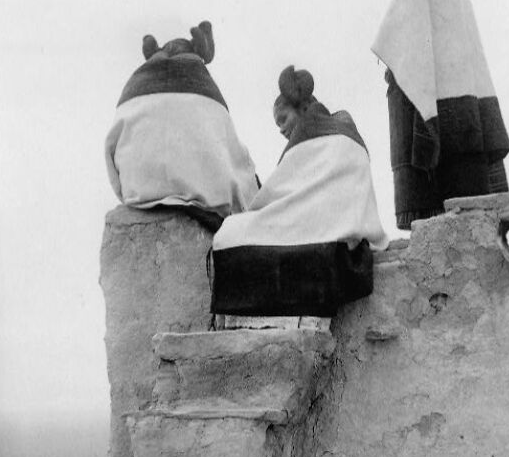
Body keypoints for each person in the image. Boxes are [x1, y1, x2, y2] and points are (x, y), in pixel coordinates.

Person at [372, 0, 509, 230]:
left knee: (443, 202)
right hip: (463, 93)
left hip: (440, 94)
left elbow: (401, 34)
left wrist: (396, 66)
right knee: (467, 191)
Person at [211, 66, 389, 317]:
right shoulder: (346, 130)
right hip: (346, 234)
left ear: (303, 109)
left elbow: (273, 198)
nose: (281, 129)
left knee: (231, 232)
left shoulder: (308, 137)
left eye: (283, 119)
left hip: (322, 228)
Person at [105, 21, 259, 232]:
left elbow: (111, 153)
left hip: (138, 193)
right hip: (204, 205)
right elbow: (234, 160)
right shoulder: (206, 94)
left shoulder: (133, 91)